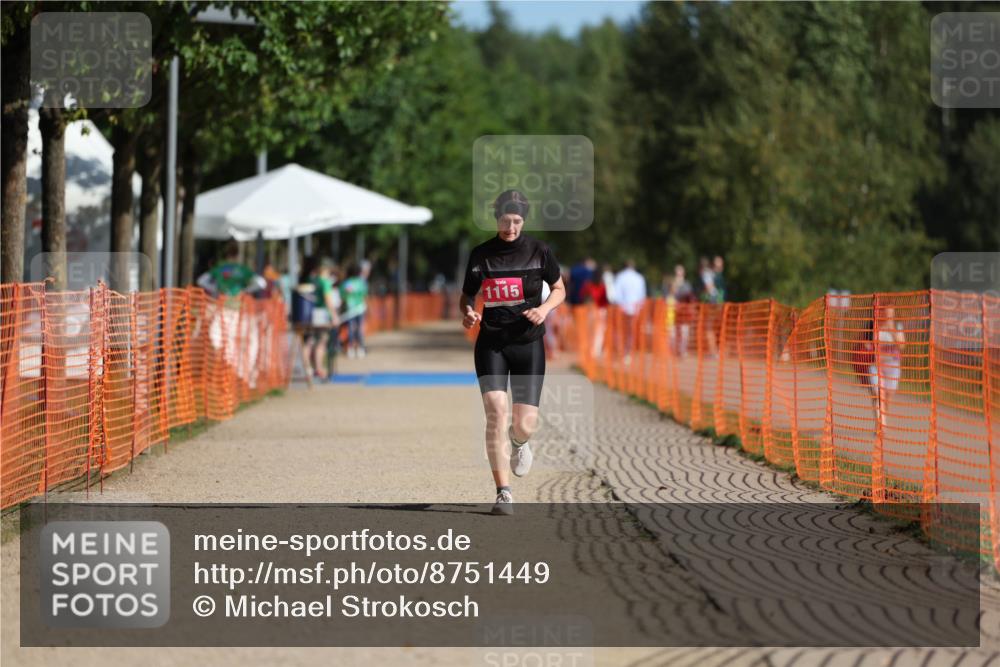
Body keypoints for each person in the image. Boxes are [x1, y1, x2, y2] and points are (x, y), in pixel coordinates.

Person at [460, 190, 566, 515]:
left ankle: (519, 443)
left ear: (524, 220)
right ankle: (502, 492)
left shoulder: (539, 251)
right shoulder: (481, 255)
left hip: (528, 343)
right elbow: (466, 296)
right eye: (506, 220)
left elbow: (560, 289)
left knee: (525, 424)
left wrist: (545, 308)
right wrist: (468, 313)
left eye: (517, 221)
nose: (511, 227)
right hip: (491, 343)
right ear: (497, 218)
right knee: (495, 412)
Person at [868, 306, 905, 429]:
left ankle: (882, 417)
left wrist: (891, 330)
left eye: (891, 314)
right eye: (886, 313)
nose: (888, 316)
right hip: (876, 365)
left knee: (887, 396)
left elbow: (901, 346)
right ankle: (880, 424)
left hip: (893, 366)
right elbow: (872, 343)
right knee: (878, 394)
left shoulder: (897, 326)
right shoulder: (875, 325)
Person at [196, 240, 265, 298]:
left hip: (220, 301)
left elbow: (200, 281)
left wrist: (215, 289)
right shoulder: (244, 269)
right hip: (237, 303)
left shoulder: (219, 268)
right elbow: (262, 283)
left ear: (227, 254)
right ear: (237, 255)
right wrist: (246, 290)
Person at [310, 258, 341, 381]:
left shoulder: (314, 280)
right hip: (322, 314)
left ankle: (310, 368)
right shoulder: (325, 283)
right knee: (321, 342)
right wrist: (334, 316)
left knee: (311, 342)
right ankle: (319, 369)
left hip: (312, 313)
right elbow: (328, 300)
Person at [613, 259, 647, 360]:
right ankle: (627, 352)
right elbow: (642, 295)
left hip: (623, 308)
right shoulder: (639, 278)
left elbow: (616, 294)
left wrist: (620, 305)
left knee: (622, 331)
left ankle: (623, 351)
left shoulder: (620, 277)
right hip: (635, 309)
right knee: (631, 332)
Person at [339, 263, 369, 358]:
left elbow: (342, 295)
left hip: (350, 308)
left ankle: (351, 349)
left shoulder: (347, 283)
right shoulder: (361, 282)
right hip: (360, 308)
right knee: (359, 328)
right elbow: (365, 294)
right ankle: (360, 348)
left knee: (351, 329)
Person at [665, 264, 694, 356]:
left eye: (680, 272)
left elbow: (690, 298)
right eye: (677, 272)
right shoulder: (672, 284)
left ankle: (682, 350)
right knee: (672, 333)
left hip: (684, 312)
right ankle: (672, 350)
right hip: (673, 312)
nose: (679, 274)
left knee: (684, 332)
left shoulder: (687, 284)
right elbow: (669, 296)